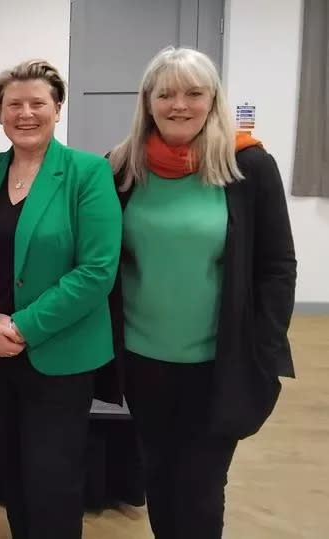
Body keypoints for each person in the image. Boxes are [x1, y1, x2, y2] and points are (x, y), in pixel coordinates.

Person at [107, 46, 297, 539]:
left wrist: (264, 342)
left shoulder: (248, 167)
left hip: (219, 363)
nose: (179, 105)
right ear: (147, 102)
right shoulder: (121, 167)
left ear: (213, 99)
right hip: (143, 359)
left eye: (195, 93)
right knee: (158, 476)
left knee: (201, 487)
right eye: (165, 93)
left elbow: (278, 267)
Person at [0, 59, 122, 539]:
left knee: (54, 477)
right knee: (12, 469)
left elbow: (98, 269)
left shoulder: (87, 173)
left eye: (37, 103)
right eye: (13, 104)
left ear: (57, 109)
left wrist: (23, 326)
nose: (25, 113)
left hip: (60, 353)